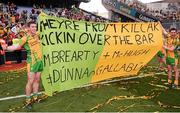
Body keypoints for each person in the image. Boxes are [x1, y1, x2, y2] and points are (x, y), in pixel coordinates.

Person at [5, 21, 43, 109]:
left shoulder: (37, 34)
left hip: (40, 62)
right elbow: (16, 47)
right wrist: (6, 47)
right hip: (32, 62)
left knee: (37, 80)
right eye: (32, 27)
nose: (34, 28)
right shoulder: (25, 38)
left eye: (35, 27)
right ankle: (28, 100)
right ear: (28, 28)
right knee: (30, 81)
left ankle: (35, 97)